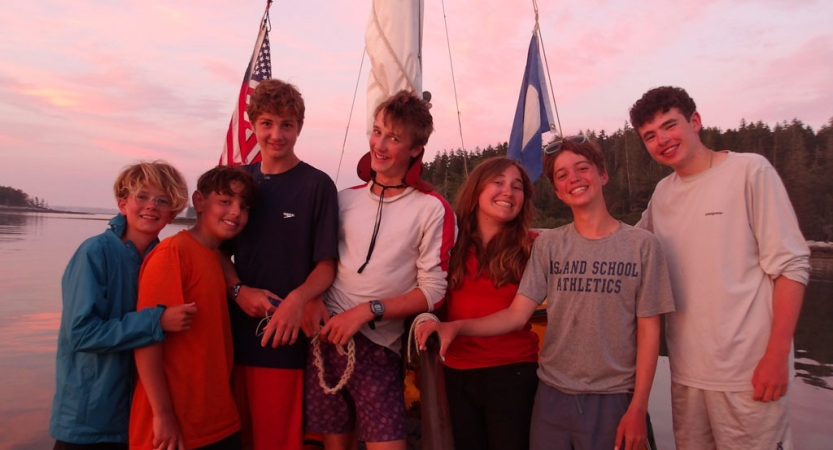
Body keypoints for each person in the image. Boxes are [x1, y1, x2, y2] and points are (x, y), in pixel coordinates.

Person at [418, 136, 675, 450]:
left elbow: (650, 330)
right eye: (563, 175)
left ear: (603, 175)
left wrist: (638, 406)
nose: (574, 179)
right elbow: (516, 314)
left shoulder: (640, 246)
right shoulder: (548, 246)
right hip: (550, 394)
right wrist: (451, 327)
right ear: (556, 190)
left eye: (583, 168)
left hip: (606, 393)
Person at [629, 86, 811, 449]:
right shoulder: (663, 194)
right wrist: (545, 240)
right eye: (650, 136)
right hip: (686, 375)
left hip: (750, 376)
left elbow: (791, 267)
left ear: (695, 122)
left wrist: (776, 357)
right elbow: (624, 248)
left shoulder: (749, 170)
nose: (662, 140)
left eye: (670, 126)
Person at [304, 90, 456, 450]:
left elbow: (434, 291)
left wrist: (367, 311)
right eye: (377, 132)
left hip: (378, 346)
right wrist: (311, 301)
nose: (380, 145)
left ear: (416, 149)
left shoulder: (432, 209)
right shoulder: (344, 199)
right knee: (334, 444)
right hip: (325, 338)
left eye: (394, 137)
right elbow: (318, 262)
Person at [219, 79, 339, 450]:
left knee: (280, 437)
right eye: (268, 123)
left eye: (287, 124)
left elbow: (326, 266)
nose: (277, 134)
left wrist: (296, 301)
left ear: (299, 128)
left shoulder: (317, 185)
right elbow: (217, 252)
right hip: (234, 336)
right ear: (253, 125)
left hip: (287, 337)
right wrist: (238, 291)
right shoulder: (240, 183)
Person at [49, 161, 194, 449]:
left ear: (173, 213)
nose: (151, 206)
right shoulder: (94, 252)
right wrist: (156, 322)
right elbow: (80, 333)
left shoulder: (163, 259)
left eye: (162, 200)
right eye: (142, 197)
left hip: (136, 415)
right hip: (88, 418)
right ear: (122, 203)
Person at [129, 166, 258, 450]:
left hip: (219, 419)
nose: (236, 212)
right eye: (225, 201)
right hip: (174, 429)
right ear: (199, 202)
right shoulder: (172, 254)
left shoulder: (217, 261)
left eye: (244, 206)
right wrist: (162, 415)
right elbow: (146, 339)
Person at [440, 156, 540, 450]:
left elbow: (519, 316)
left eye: (517, 186)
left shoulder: (533, 247)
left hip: (512, 371)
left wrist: (456, 327)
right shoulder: (448, 243)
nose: (508, 192)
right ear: (477, 190)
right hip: (455, 370)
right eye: (498, 182)